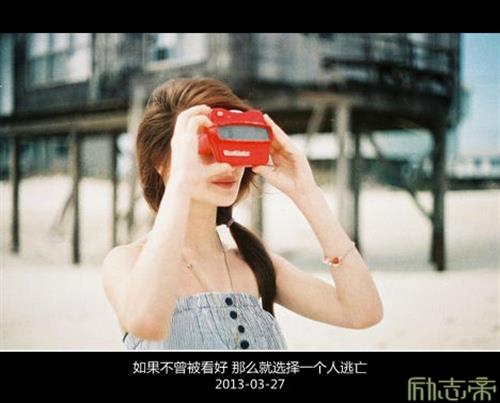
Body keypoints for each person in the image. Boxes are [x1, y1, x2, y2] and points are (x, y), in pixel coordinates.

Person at [101, 77, 384, 350]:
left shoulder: (254, 263)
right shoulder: (125, 262)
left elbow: (362, 312)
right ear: (159, 161)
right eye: (207, 147)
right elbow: (147, 322)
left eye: (235, 144)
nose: (228, 163)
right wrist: (180, 183)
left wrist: (307, 193)